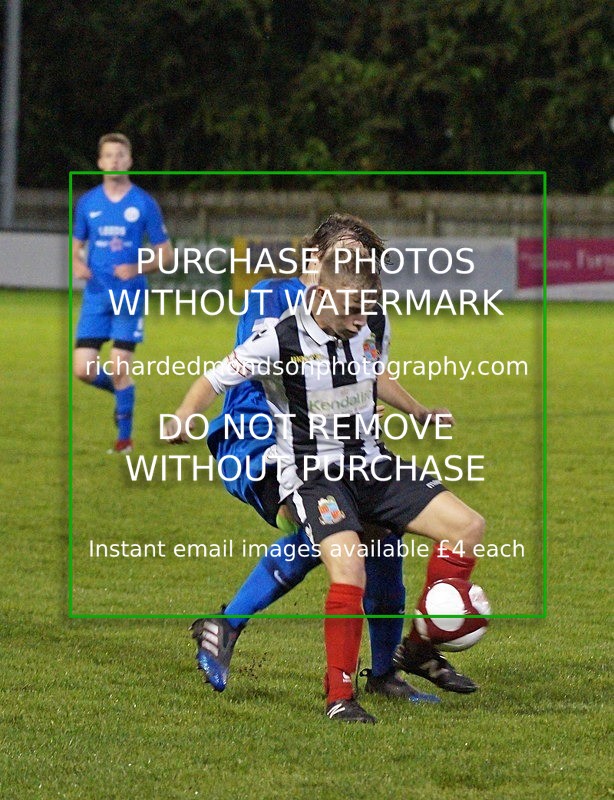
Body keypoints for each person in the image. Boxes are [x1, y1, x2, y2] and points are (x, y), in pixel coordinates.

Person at [167, 243, 486, 723]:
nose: (362, 322)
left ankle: (421, 640)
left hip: (371, 465)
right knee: (349, 567)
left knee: (467, 526)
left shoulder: (371, 322)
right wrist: (182, 418)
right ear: (320, 291)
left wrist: (418, 411)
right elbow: (214, 379)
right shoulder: (279, 335)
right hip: (315, 476)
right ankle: (340, 696)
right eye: (353, 311)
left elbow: (373, 372)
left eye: (367, 310)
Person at [72, 132, 173, 453]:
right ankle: (122, 391)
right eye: (109, 156)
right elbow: (75, 248)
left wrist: (137, 268)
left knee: (118, 366)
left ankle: (124, 440)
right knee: (83, 370)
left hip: (129, 294)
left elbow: (166, 254)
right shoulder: (88, 203)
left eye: (120, 155)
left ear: (129, 160)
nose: (114, 160)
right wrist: (76, 264)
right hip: (96, 296)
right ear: (100, 162)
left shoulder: (144, 203)